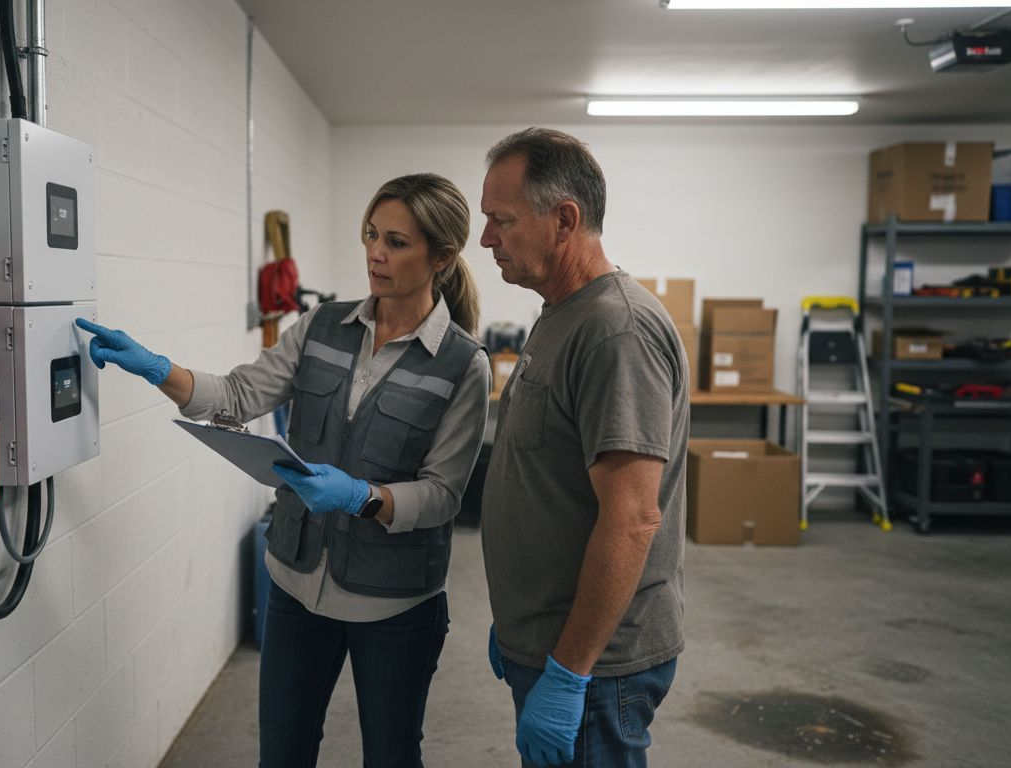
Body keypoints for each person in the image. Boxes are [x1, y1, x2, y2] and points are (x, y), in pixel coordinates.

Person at [76, 173, 490, 768]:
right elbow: (239, 395)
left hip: (396, 604)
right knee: (283, 754)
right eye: (371, 234)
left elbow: (445, 494)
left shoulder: (462, 365)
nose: (375, 252)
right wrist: (157, 367)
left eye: (397, 242)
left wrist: (361, 497)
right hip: (297, 585)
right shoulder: (323, 327)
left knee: (392, 756)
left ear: (443, 257)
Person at [478, 128, 689, 768]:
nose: (486, 239)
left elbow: (631, 519)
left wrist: (569, 669)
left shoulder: (614, 330)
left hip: (597, 665)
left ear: (563, 219)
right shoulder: (561, 311)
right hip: (548, 638)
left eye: (501, 220)